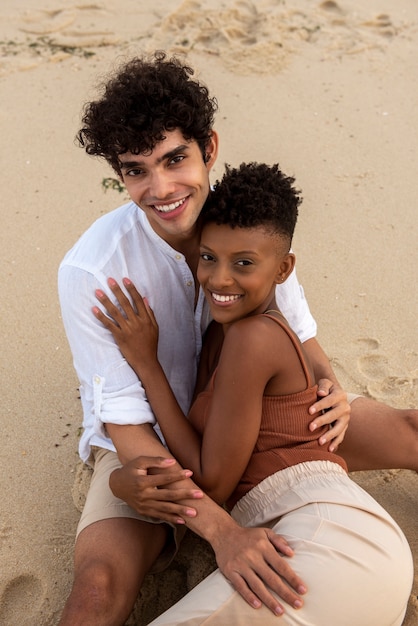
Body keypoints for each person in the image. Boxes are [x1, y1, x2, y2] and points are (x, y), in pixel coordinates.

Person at [57, 52, 417, 624]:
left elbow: (298, 333)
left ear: (210, 149)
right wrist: (223, 533)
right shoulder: (94, 272)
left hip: (254, 412)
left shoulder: (243, 221)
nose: (163, 188)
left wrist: (331, 391)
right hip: (153, 441)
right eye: (136, 170)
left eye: (176, 158)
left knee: (406, 428)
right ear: (119, 174)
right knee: (98, 590)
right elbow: (127, 426)